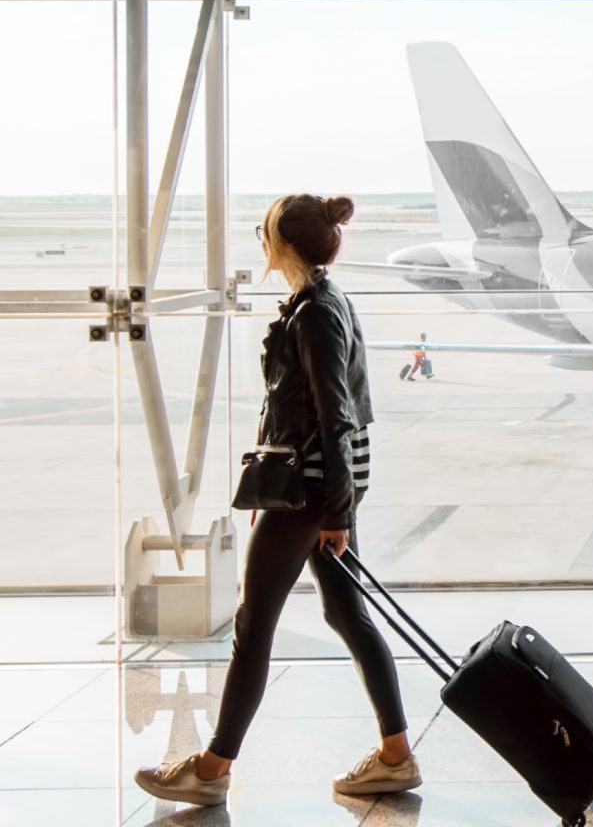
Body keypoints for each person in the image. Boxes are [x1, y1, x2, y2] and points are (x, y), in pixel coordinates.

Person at [135, 194, 418, 806]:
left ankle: (211, 771)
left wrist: (336, 512)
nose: (260, 240)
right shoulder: (324, 298)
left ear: (282, 243)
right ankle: (396, 756)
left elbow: (334, 414)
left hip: (310, 489)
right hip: (324, 483)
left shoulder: (314, 312)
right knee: (345, 614)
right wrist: (339, 505)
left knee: (253, 622)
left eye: (264, 232)